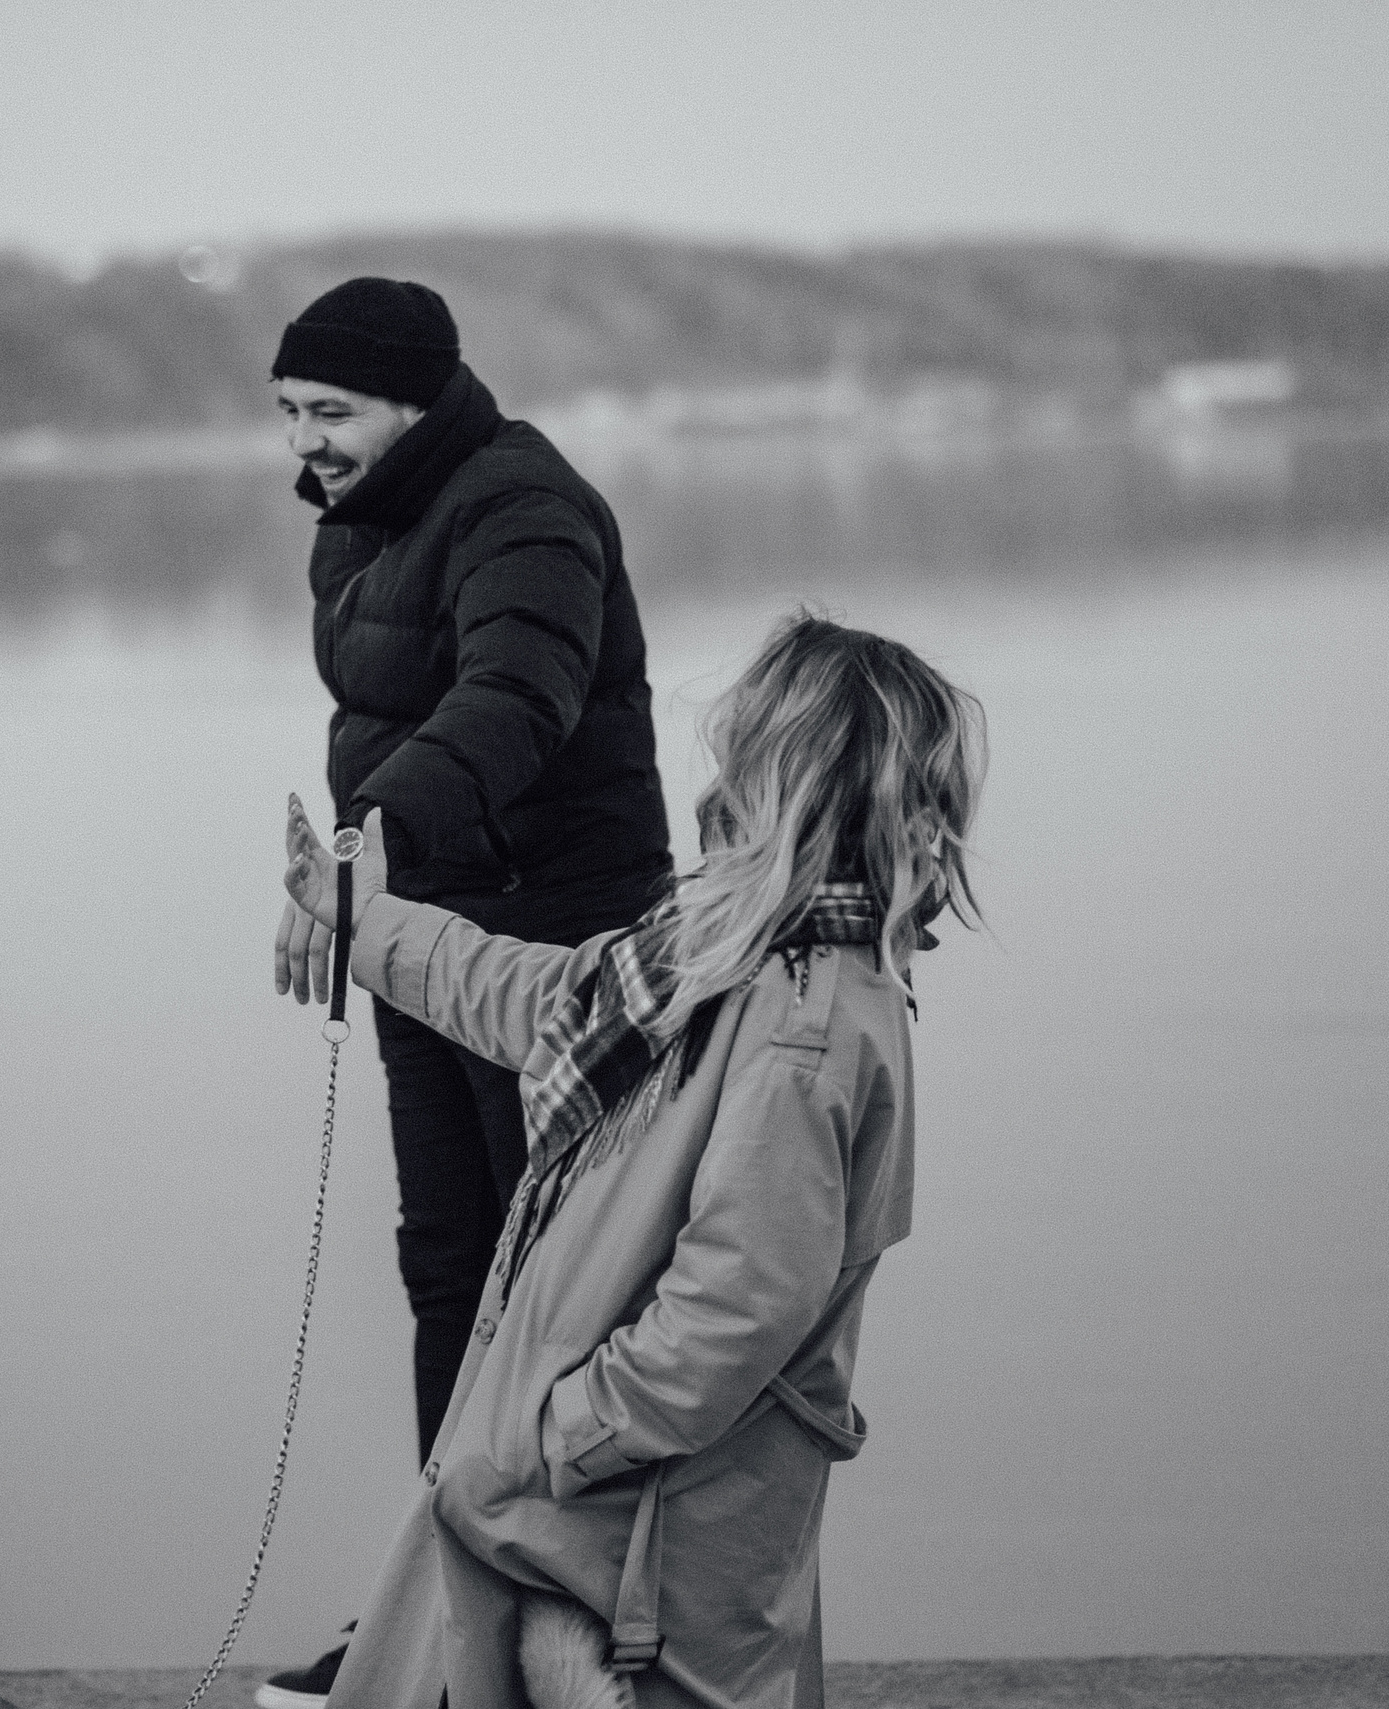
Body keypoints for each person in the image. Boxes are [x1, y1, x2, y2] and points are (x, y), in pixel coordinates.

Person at [278, 613, 984, 1709]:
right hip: (587, 1509)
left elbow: (733, 1309)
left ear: (788, 781)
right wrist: (365, 923)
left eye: (741, 751)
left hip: (636, 1534)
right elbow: (541, 998)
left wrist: (549, 1433)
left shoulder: (804, 1028)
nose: (718, 778)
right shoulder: (711, 956)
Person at [262, 277, 675, 1708]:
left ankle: (559, 1630)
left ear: (419, 401)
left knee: (545, 1298)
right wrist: (356, 901)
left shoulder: (523, 509)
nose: (304, 440)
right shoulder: (368, 518)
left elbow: (517, 696)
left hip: (556, 957)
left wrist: (375, 850)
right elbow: (383, 719)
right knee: (448, 1271)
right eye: (291, 412)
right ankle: (439, 1618)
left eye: (332, 411)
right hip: (422, 938)